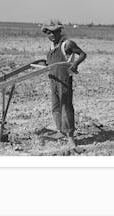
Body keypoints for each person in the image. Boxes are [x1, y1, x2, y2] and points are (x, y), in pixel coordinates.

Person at [42, 20, 87, 148]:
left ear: (59, 31)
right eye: (49, 33)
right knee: (55, 106)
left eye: (55, 32)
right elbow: (51, 62)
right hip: (53, 79)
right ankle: (60, 131)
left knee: (66, 107)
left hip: (64, 79)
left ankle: (71, 138)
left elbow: (83, 54)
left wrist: (75, 64)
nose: (52, 35)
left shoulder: (67, 44)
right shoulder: (51, 46)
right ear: (46, 33)